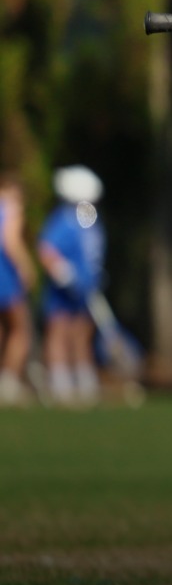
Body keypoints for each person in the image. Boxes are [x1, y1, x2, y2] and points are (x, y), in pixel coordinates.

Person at [38, 166, 107, 409]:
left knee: (82, 334)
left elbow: (92, 253)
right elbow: (46, 249)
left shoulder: (88, 217)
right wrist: (63, 273)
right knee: (58, 332)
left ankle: (85, 382)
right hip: (63, 291)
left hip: (86, 290)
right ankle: (61, 384)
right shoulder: (64, 218)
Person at [0, 170, 37, 407]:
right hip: (5, 276)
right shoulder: (11, 209)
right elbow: (10, 242)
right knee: (21, 331)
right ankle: (8, 383)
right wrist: (27, 267)